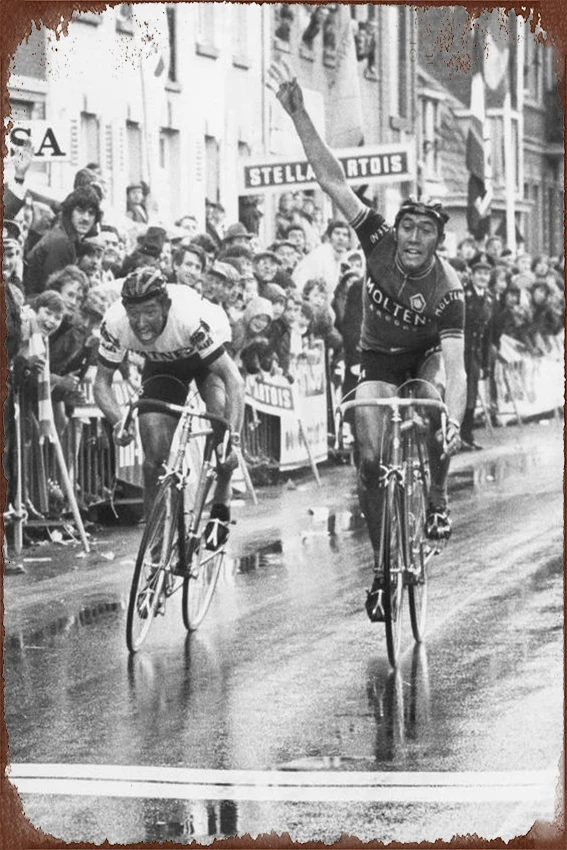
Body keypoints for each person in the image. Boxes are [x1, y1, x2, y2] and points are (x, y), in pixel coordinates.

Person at [268, 60, 465, 622]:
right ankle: (382, 571)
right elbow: (332, 180)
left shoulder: (448, 288)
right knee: (371, 460)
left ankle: (437, 498)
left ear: (437, 241)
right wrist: (300, 116)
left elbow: (456, 368)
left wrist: (453, 419)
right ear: (395, 230)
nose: (413, 238)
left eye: (426, 232)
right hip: (377, 357)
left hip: (425, 358)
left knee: (431, 409)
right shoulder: (375, 237)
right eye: (408, 227)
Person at [93, 268, 245, 554]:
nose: (141, 323)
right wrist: (118, 421)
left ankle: (221, 504)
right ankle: (157, 547)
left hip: (205, 359)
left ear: (165, 306)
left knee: (219, 415)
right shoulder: (114, 323)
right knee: (153, 460)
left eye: (150, 312)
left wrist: (232, 439)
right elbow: (101, 383)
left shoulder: (188, 318)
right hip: (162, 365)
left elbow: (233, 381)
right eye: (134, 313)